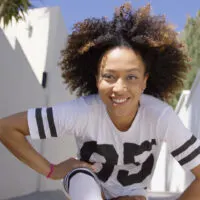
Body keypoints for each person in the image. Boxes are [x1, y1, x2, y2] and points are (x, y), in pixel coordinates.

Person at [0, 3, 200, 200]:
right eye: (109, 76)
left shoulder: (160, 117)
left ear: (144, 81)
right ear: (96, 79)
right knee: (84, 184)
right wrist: (51, 170)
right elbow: (6, 128)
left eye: (131, 77)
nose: (119, 88)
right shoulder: (82, 112)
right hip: (87, 184)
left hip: (132, 194)